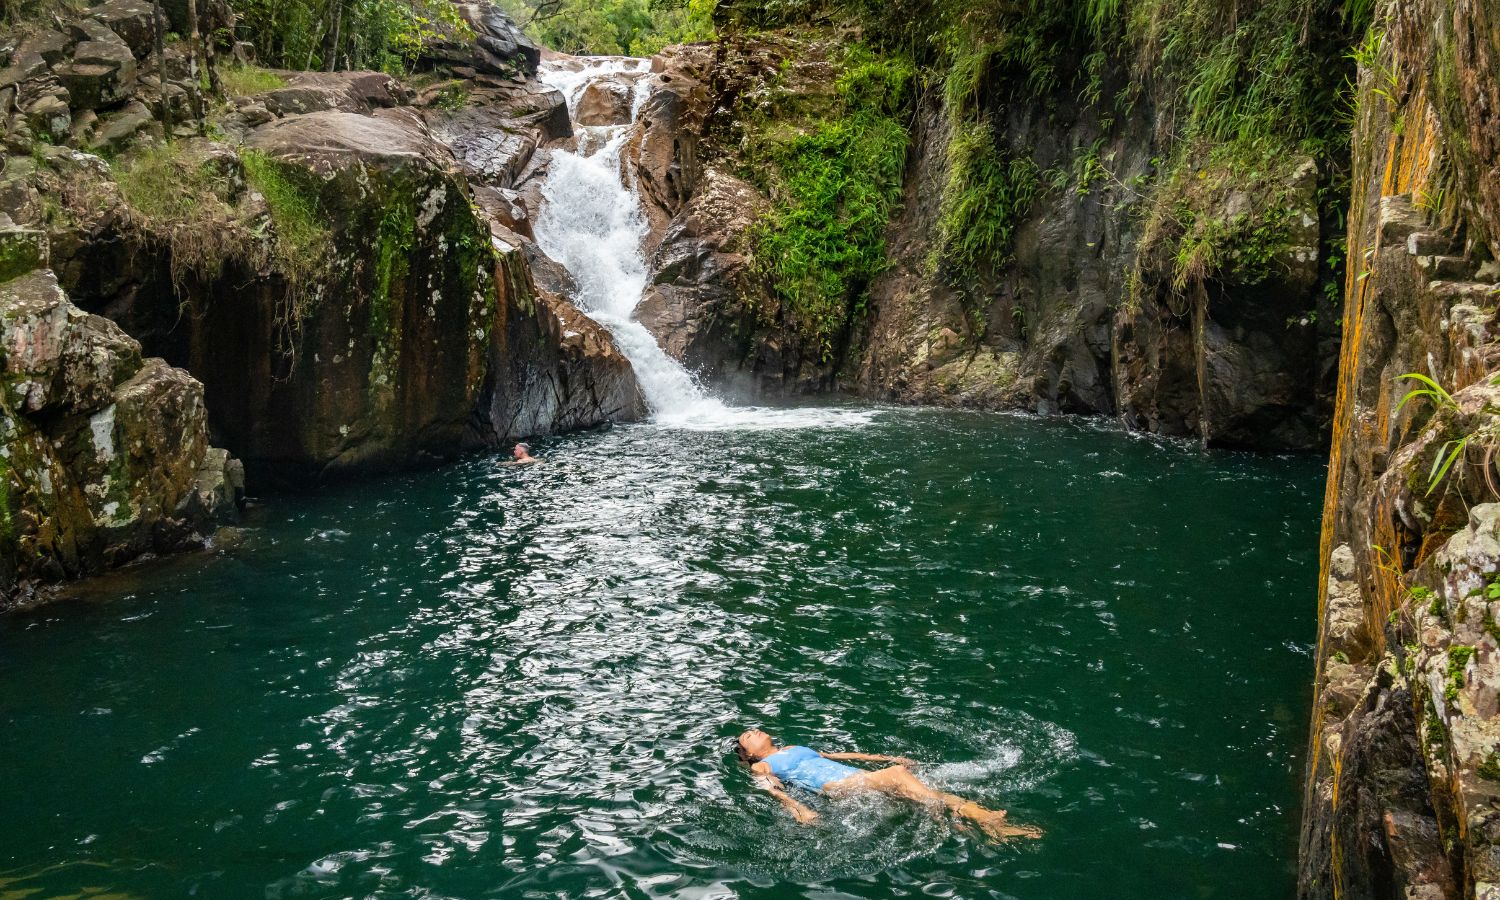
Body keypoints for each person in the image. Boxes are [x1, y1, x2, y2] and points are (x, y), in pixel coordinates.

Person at [734, 729, 1041, 841]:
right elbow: (768, 787)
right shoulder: (764, 765)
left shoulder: (794, 748)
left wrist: (886, 756)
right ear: (748, 755)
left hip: (858, 777)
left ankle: (987, 822)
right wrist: (799, 809)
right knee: (898, 776)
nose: (751, 732)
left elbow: (843, 754)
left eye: (753, 731)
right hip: (838, 788)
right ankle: (968, 817)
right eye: (746, 738)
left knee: (922, 790)